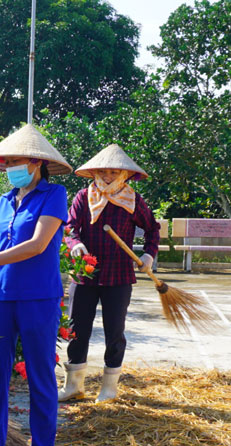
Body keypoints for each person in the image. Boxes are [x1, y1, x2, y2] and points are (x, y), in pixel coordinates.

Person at [0, 124, 72, 446]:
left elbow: (37, 244)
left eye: (15, 161)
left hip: (38, 298)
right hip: (0, 297)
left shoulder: (54, 195)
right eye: (6, 163)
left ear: (35, 162)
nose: (10, 169)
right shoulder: (2, 203)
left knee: (41, 377)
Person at [61, 144, 160, 402]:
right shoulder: (83, 197)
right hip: (85, 275)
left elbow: (153, 229)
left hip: (119, 277)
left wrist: (149, 255)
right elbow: (70, 227)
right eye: (103, 171)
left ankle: (109, 389)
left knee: (114, 331)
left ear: (125, 175)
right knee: (76, 329)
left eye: (114, 172)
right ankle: (74, 386)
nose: (107, 176)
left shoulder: (133, 201)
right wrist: (76, 245)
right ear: (94, 172)